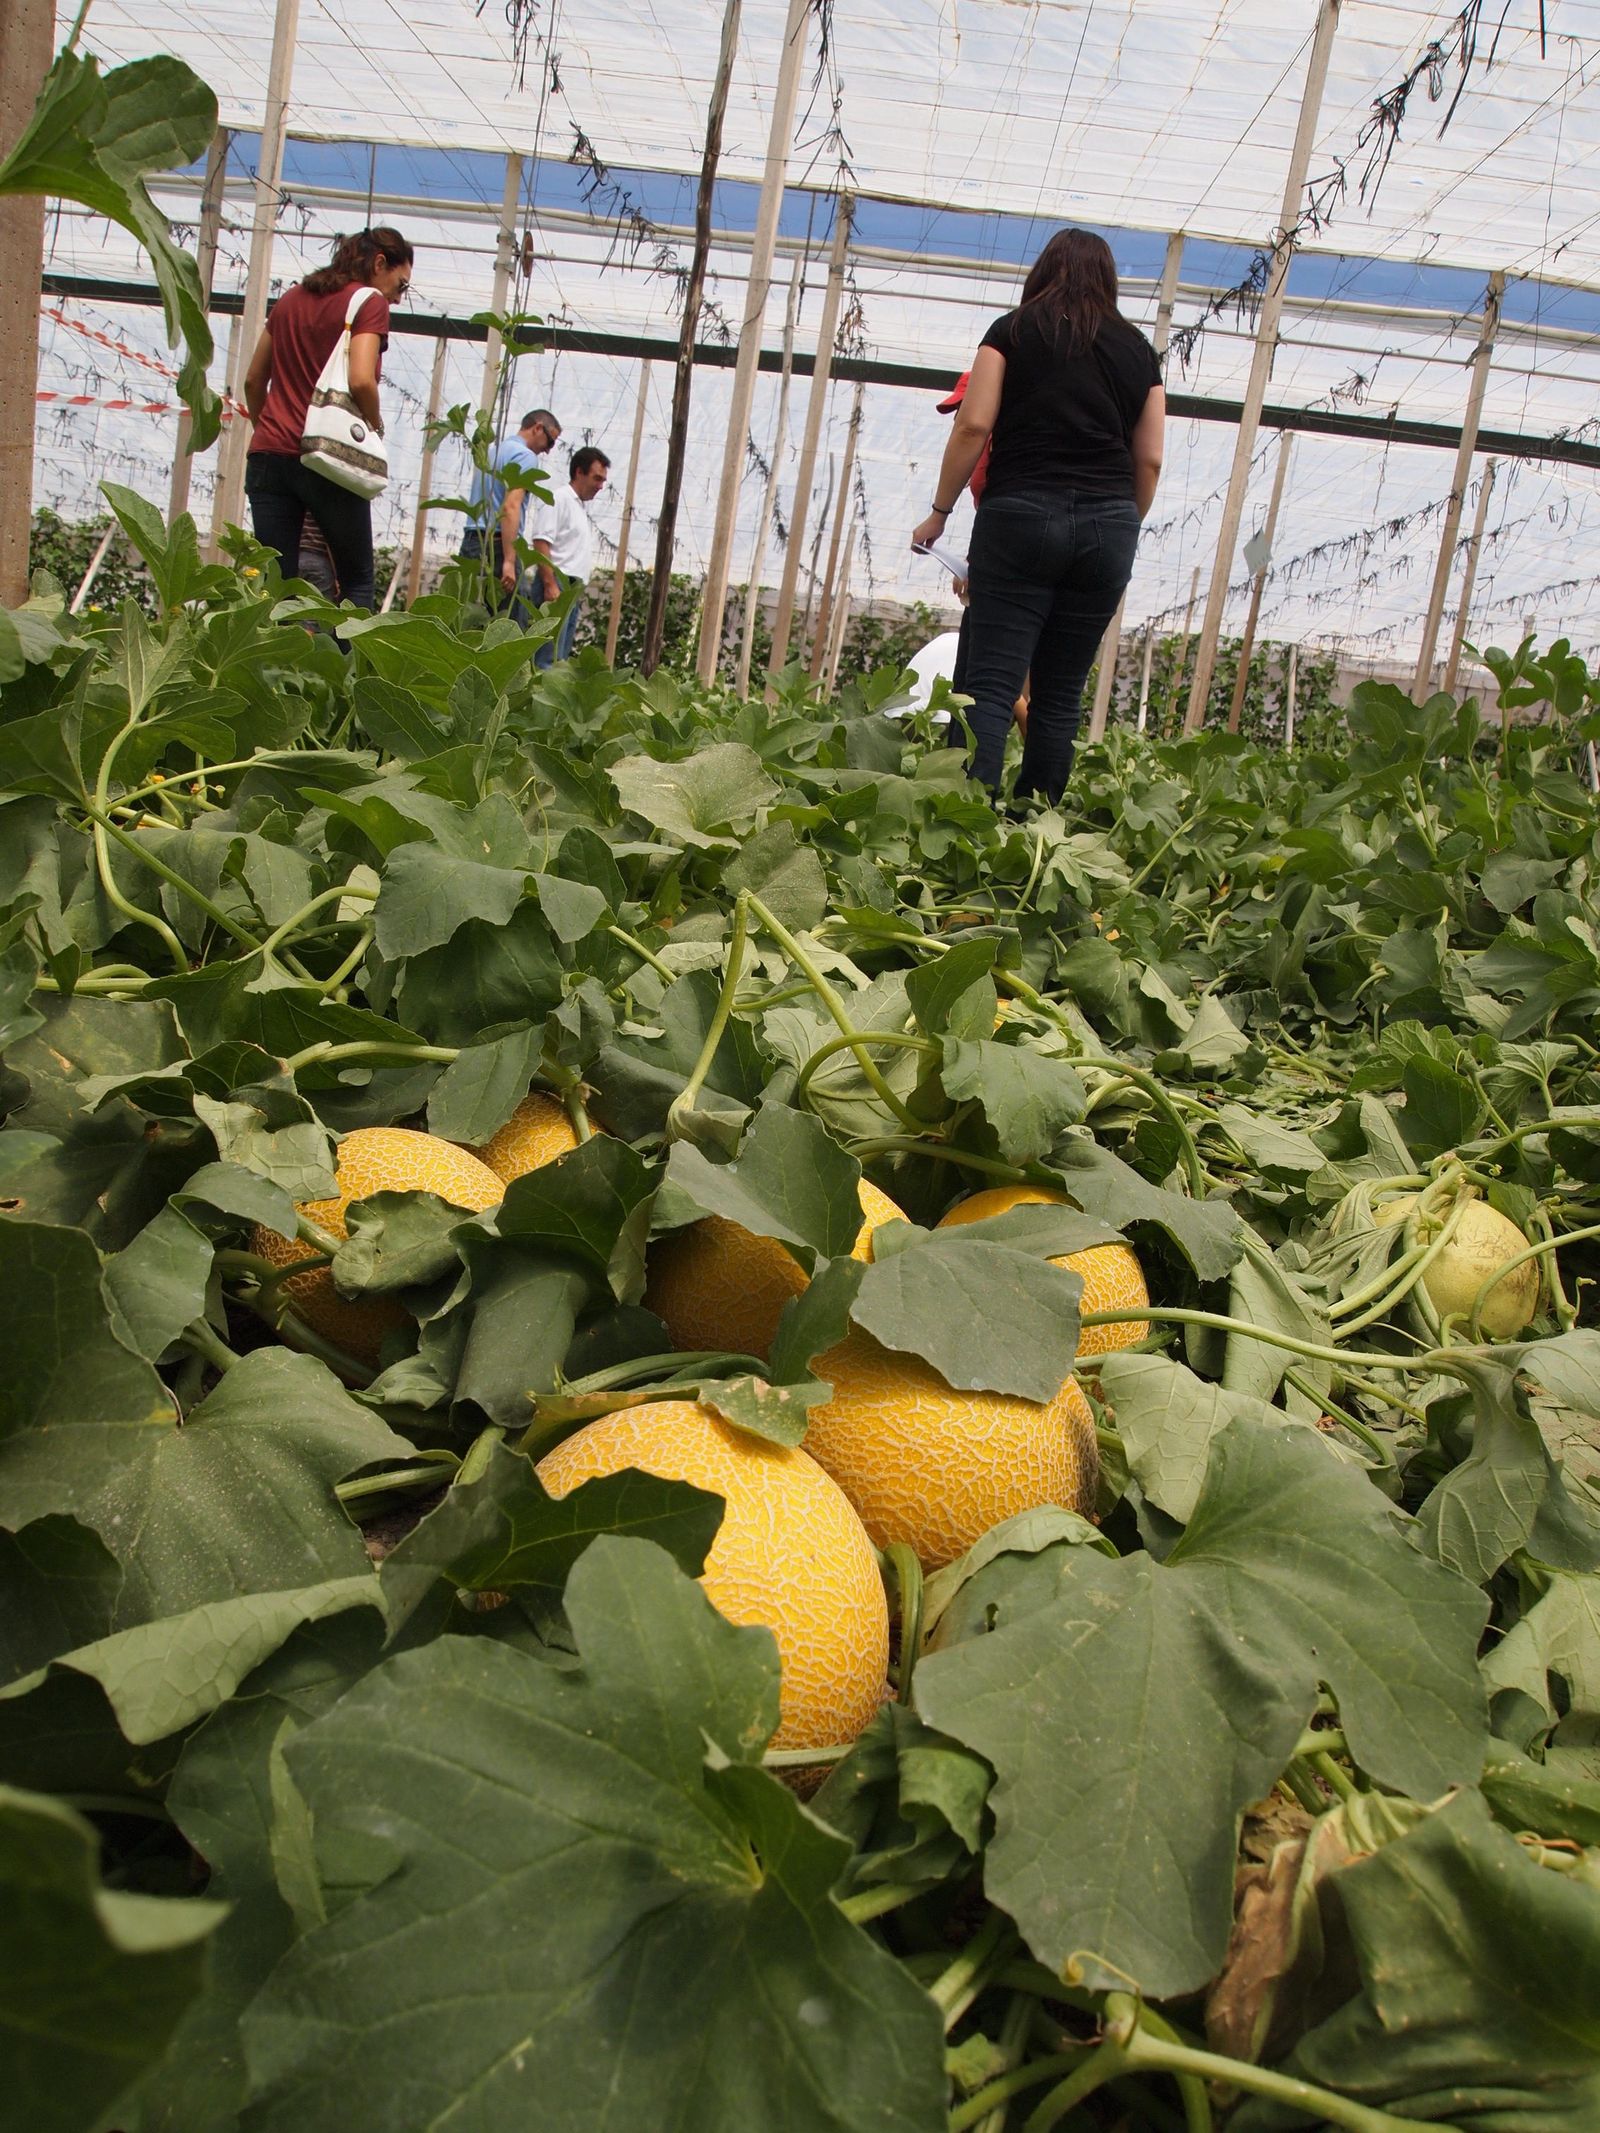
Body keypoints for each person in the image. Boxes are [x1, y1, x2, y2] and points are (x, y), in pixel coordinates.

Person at [911, 228, 1165, 804]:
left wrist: (939, 513)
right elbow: (1148, 458)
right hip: (1109, 528)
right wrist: (1121, 521)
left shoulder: (1011, 331)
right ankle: (1036, 828)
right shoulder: (1139, 353)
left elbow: (973, 425)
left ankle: (969, 823)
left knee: (990, 686)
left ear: (1043, 272)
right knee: (1059, 694)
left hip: (1020, 515)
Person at [243, 226, 413, 611]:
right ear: (379, 263)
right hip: (327, 458)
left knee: (275, 588)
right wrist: (375, 426)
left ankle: (273, 669)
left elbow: (254, 381)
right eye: (400, 285)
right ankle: (340, 671)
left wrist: (270, 432)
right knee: (356, 582)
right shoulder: (369, 302)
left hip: (269, 457)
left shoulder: (288, 300)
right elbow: (361, 379)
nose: (397, 297)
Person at [459, 407, 561, 611]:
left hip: (472, 541)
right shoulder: (526, 457)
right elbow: (511, 506)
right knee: (509, 627)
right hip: (497, 546)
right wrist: (509, 560)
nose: (549, 450)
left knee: (468, 622)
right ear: (538, 428)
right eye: (551, 441)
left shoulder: (490, 453)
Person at [528, 445, 610, 662]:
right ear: (579, 472)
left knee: (558, 658)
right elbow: (541, 541)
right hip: (558, 584)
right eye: (597, 478)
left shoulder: (577, 506)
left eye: (603, 480)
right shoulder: (559, 499)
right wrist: (550, 584)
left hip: (570, 588)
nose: (601, 486)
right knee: (546, 656)